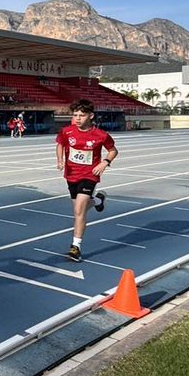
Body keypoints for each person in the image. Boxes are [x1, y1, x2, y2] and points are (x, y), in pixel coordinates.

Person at [56, 99, 118, 263]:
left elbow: (113, 150)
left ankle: (76, 247)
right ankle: (98, 199)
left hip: (89, 174)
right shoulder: (66, 131)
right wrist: (60, 160)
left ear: (90, 116)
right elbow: (60, 145)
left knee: (78, 211)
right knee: (79, 208)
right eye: (75, 115)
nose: (77, 118)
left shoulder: (100, 135)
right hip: (71, 174)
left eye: (81, 115)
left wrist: (105, 162)